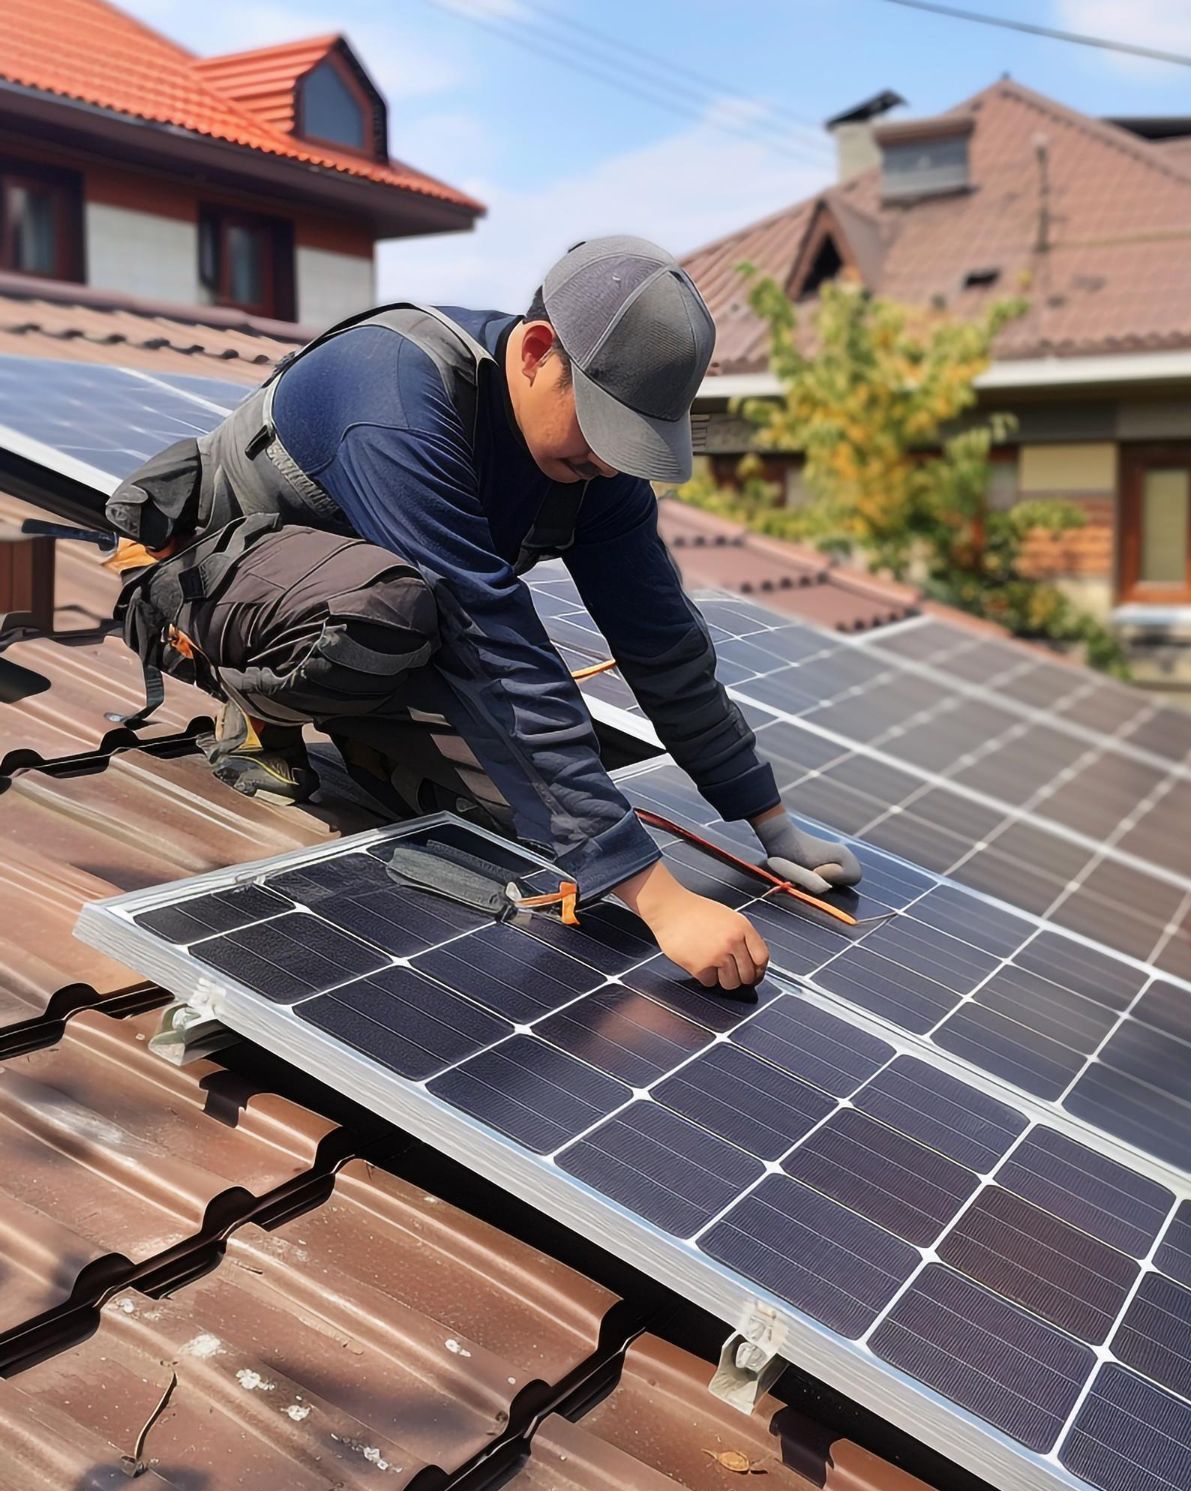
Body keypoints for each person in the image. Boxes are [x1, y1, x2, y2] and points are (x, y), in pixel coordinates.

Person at [106, 236, 861, 990]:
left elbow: (661, 641)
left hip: (386, 607)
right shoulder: (397, 393)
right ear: (537, 353)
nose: (608, 459)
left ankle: (377, 733)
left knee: (548, 811)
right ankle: (259, 708)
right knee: (395, 613)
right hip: (206, 589)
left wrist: (767, 818)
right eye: (600, 427)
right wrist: (661, 902)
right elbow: (488, 633)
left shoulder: (596, 467)